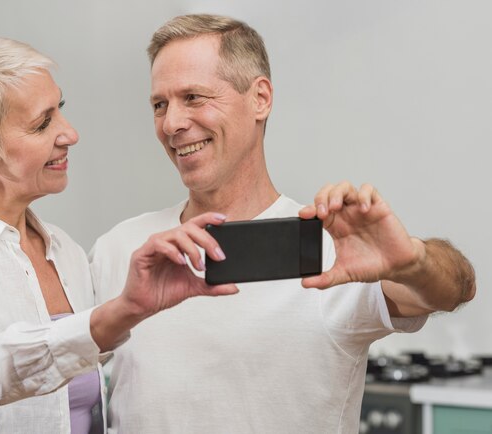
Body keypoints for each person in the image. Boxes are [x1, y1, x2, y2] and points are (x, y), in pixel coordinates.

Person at [89, 14, 477, 434]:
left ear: (260, 98)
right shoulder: (122, 248)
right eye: (159, 105)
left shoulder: (333, 250)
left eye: (194, 97)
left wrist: (412, 261)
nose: (171, 124)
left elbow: (454, 288)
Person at [0, 35, 239, 434]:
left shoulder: (64, 251)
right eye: (42, 123)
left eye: (59, 109)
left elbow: (87, 385)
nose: (69, 134)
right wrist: (123, 310)